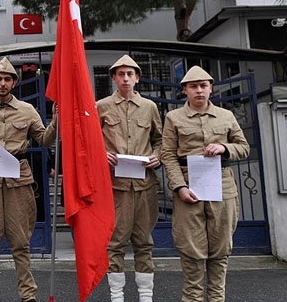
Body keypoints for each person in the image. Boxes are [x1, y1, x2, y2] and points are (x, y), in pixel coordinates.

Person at [0, 57, 57, 302]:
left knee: (21, 242)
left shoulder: (27, 110)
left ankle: (28, 295)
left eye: (8, 79)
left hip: (18, 177)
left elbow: (44, 140)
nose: (3, 83)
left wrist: (55, 120)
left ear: (15, 83)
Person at [160, 66, 250, 302]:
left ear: (211, 88)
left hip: (222, 187)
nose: (199, 90)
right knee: (192, 253)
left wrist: (225, 148)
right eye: (193, 86)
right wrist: (179, 187)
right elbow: (167, 155)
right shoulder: (173, 118)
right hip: (189, 189)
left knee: (220, 252)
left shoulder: (226, 116)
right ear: (185, 90)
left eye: (203, 85)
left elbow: (244, 147)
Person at [96, 55, 163, 302]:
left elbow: (160, 139)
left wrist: (158, 156)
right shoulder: (101, 106)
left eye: (130, 74)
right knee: (115, 243)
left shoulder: (149, 107)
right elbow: (89, 142)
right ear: (114, 77)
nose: (125, 78)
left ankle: (146, 296)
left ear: (137, 77)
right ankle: (117, 296)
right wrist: (101, 154)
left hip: (144, 185)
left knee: (144, 242)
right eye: (121, 74)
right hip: (115, 186)